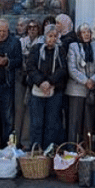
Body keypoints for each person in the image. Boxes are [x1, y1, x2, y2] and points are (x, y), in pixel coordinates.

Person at [23, 22, 67, 150]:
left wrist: (50, 82)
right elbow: (30, 67)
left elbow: (62, 69)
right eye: (50, 36)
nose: (52, 39)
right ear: (44, 36)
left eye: (55, 36)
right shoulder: (36, 49)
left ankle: (49, 152)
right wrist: (41, 82)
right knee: (36, 123)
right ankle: (36, 152)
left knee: (51, 124)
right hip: (38, 90)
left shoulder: (60, 50)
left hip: (54, 91)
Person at [66, 20, 95, 149]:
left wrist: (93, 80)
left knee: (89, 123)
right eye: (83, 32)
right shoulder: (73, 46)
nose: (86, 34)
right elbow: (72, 68)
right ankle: (72, 149)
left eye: (88, 31)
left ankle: (88, 150)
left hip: (91, 89)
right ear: (79, 34)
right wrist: (85, 81)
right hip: (77, 89)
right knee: (75, 122)